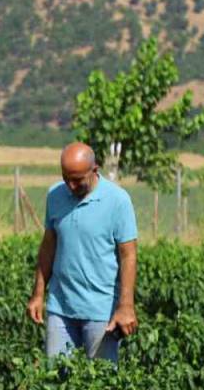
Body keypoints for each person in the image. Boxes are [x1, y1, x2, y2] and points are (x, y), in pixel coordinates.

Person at [26, 142, 138, 364]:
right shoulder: (55, 195)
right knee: (55, 376)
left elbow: (129, 255)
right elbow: (48, 246)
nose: (70, 186)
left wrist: (126, 306)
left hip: (101, 310)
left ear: (95, 170)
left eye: (77, 180)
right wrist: (38, 294)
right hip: (61, 306)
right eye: (66, 178)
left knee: (101, 378)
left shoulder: (118, 200)